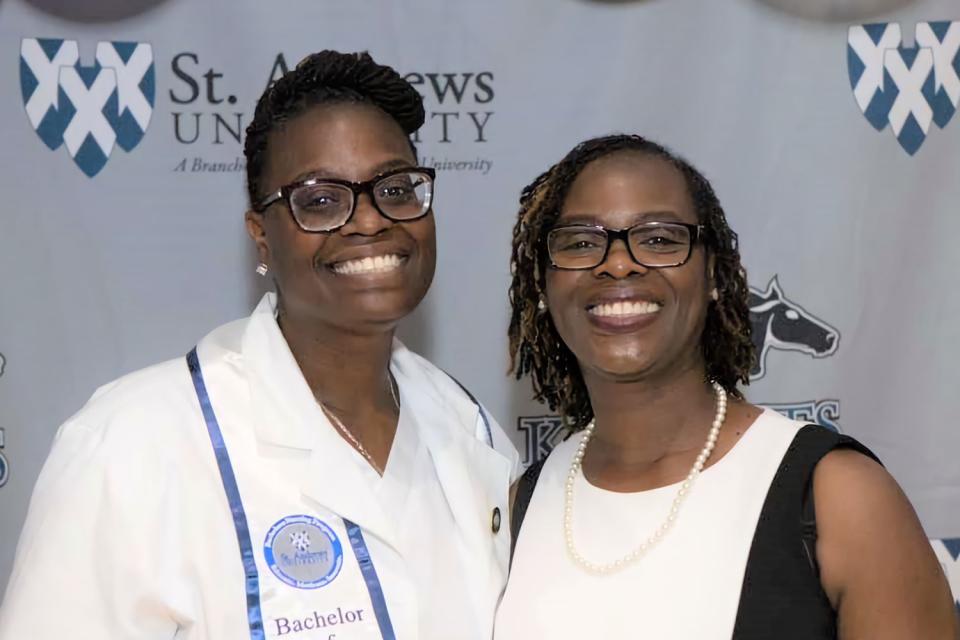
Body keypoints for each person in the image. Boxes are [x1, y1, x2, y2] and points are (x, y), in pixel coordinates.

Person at [0, 50, 519, 640]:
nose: (371, 220)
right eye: (320, 199)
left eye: (396, 187)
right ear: (261, 238)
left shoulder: (467, 428)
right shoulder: (133, 443)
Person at [494, 134, 958, 639]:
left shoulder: (836, 496)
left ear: (713, 272)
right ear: (542, 284)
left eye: (659, 238)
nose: (619, 263)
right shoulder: (521, 507)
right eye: (581, 242)